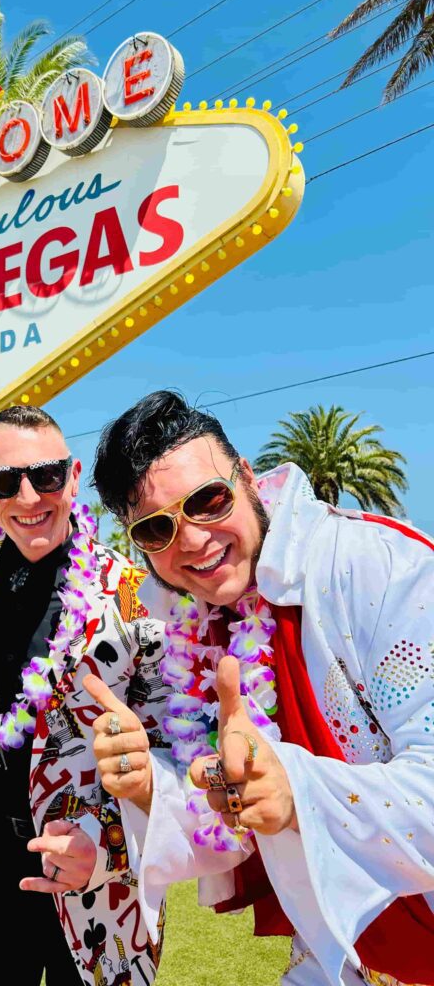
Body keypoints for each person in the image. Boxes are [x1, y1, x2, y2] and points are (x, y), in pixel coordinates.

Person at [87, 390, 434, 986]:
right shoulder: (197, 624)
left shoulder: (378, 566)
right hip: (343, 956)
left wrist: (298, 794)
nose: (192, 540)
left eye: (207, 500)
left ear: (247, 477)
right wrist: (153, 789)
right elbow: (232, 825)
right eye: (155, 528)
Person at [0, 405, 170, 986]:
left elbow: (173, 759)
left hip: (95, 887)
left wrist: (102, 848)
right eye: (7, 481)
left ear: (73, 477)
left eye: (47, 475)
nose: (29, 496)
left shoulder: (137, 599)